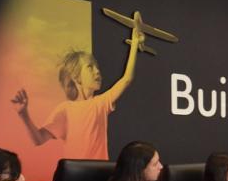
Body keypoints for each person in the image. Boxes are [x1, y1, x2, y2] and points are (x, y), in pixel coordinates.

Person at [12, 21, 144, 160]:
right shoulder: (65, 110)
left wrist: (134, 44)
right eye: (90, 67)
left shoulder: (100, 103)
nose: (97, 71)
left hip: (98, 173)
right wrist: (23, 114)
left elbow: (126, 79)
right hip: (75, 174)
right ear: (75, 76)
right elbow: (38, 139)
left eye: (97, 67)